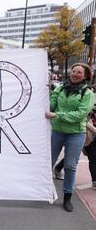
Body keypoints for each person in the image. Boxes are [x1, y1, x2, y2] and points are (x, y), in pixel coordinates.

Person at [46, 63, 94, 212]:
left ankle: (67, 198)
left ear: (85, 76)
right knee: (49, 162)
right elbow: (52, 106)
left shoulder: (87, 93)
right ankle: (43, 191)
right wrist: (51, 93)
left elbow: (80, 115)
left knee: (70, 166)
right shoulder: (61, 88)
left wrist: (58, 115)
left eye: (79, 72)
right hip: (58, 131)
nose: (75, 74)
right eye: (73, 71)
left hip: (76, 133)